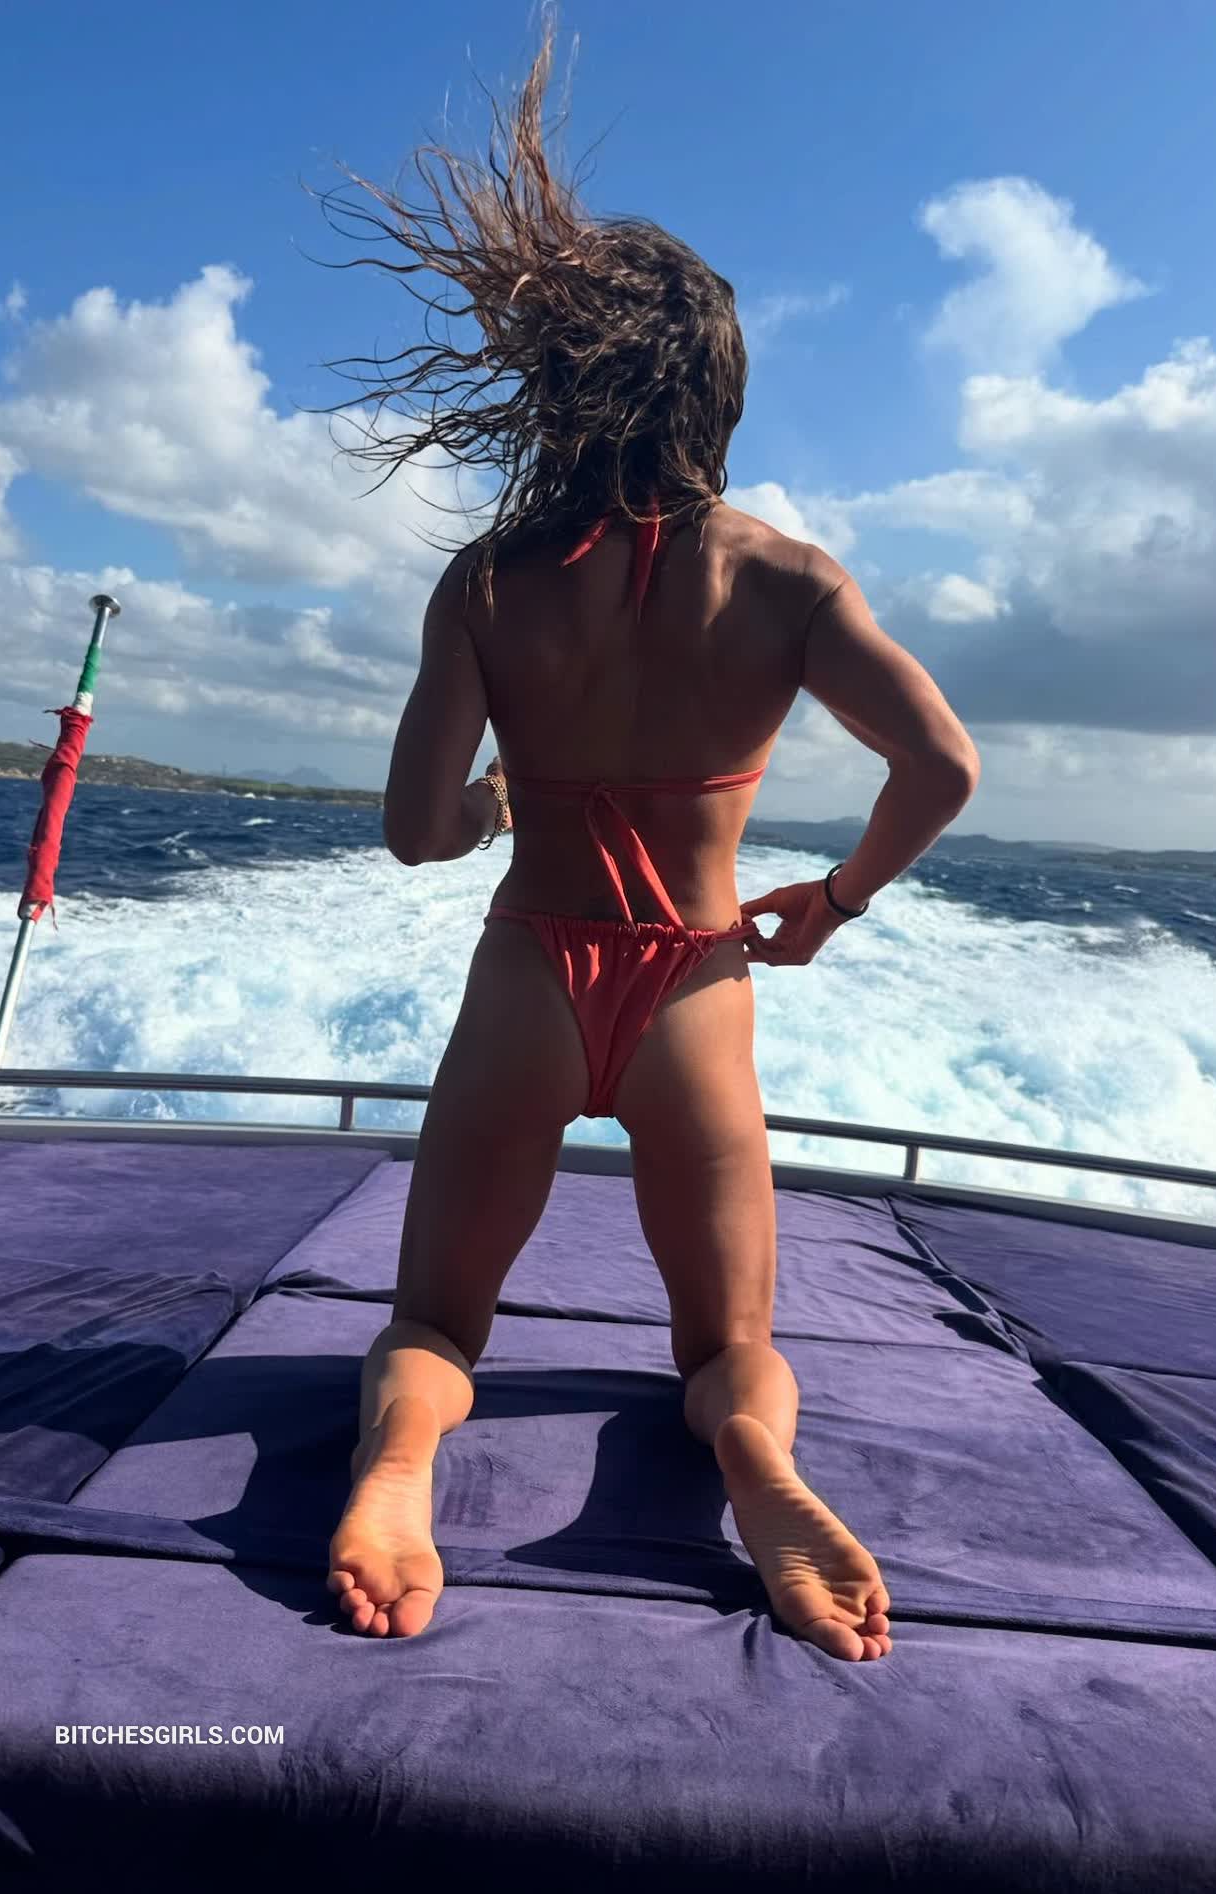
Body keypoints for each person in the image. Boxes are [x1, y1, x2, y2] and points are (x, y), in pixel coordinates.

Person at [325, 22, 979, 1662]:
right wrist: (831, 902)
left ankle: (402, 1461)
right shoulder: (787, 579)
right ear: (718, 392)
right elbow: (939, 766)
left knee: (433, 1318)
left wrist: (496, 804)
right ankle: (752, 1459)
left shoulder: (487, 584)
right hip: (692, 985)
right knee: (726, 1346)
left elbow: (413, 833)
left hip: (528, 981)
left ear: (555, 388)